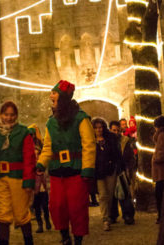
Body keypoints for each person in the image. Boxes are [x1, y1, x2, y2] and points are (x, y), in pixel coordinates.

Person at [36, 80, 96, 245]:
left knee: (77, 208)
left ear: (62, 97)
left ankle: (78, 239)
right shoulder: (51, 122)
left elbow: (89, 144)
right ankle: (64, 236)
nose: (51, 96)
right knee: (57, 207)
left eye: (54, 93)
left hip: (76, 171)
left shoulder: (81, 118)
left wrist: (88, 168)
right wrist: (41, 163)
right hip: (57, 172)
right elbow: (48, 147)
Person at [0, 101, 36, 245]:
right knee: (2, 213)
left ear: (16, 116)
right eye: (6, 114)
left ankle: (29, 242)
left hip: (18, 178)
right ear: (1, 115)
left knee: (21, 213)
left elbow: (29, 158)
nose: (9, 118)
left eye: (12, 115)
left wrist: (29, 181)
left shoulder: (23, 132)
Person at [92, 118, 123, 231]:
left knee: (110, 195)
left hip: (110, 170)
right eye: (96, 128)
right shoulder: (91, 141)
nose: (98, 130)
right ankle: (105, 219)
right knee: (103, 195)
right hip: (99, 172)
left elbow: (116, 154)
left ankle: (109, 216)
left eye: (100, 127)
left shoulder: (110, 139)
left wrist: (117, 166)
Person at [109, 121, 135, 225]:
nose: (116, 132)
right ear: (110, 130)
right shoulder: (107, 141)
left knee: (124, 193)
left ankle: (128, 215)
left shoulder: (125, 140)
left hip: (121, 169)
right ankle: (112, 215)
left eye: (117, 130)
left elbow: (130, 156)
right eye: (113, 130)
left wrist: (129, 169)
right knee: (111, 194)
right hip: (110, 170)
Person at [28, 124, 52, 234]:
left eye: (32, 134)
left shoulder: (42, 146)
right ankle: (40, 224)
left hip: (43, 179)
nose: (31, 136)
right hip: (34, 181)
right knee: (36, 205)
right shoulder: (27, 148)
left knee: (45, 205)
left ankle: (47, 221)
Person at [152, 116, 164, 224]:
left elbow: (162, 152)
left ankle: (161, 216)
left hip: (162, 171)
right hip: (163, 171)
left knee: (160, 194)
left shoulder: (162, 135)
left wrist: (155, 158)